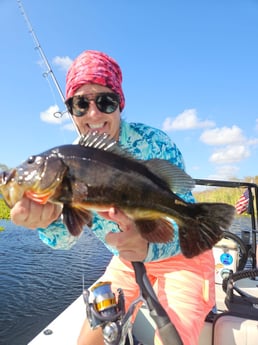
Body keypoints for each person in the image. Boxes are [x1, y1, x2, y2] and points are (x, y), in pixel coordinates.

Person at [11, 50, 215, 345]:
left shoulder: (154, 142)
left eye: (106, 101)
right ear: (70, 110)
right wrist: (47, 221)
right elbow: (65, 239)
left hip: (184, 257)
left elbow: (185, 208)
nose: (93, 114)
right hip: (126, 261)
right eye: (80, 104)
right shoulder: (68, 164)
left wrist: (147, 247)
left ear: (120, 104)